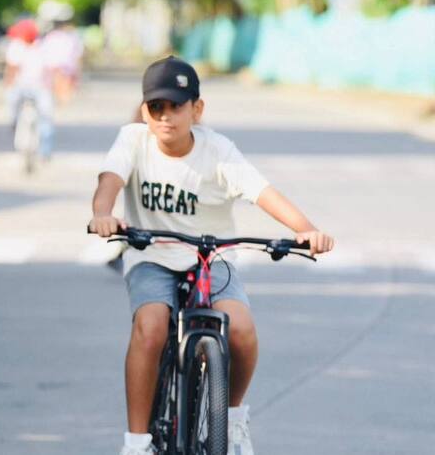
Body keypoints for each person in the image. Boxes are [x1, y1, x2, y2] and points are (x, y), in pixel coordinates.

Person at [88, 57, 336, 455]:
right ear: (144, 111)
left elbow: (263, 192)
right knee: (151, 327)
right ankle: (136, 443)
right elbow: (110, 181)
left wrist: (304, 230)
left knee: (239, 329)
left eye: (176, 106)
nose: (166, 117)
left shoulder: (218, 151)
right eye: (156, 108)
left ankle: (233, 416)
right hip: (152, 254)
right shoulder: (133, 140)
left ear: (197, 109)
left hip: (211, 257)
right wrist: (103, 214)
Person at [3, 20, 55, 161]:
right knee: (11, 104)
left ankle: (45, 151)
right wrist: (8, 84)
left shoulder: (43, 47)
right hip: (21, 86)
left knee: (46, 117)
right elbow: (11, 69)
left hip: (40, 87)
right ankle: (14, 126)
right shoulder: (16, 47)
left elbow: (49, 70)